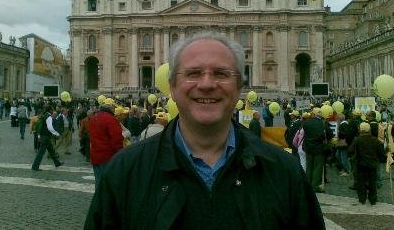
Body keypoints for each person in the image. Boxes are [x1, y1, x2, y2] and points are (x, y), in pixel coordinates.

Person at [85, 32, 325, 229]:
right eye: (193, 73)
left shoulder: (286, 172)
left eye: (221, 73)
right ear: (172, 86)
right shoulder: (123, 172)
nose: (207, 84)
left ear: (240, 86)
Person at [88, 98, 123, 189]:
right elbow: (117, 139)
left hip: (95, 155)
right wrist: (120, 154)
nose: (115, 109)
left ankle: (98, 201)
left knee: (98, 182)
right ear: (110, 107)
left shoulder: (93, 118)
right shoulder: (111, 119)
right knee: (109, 183)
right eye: (114, 107)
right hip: (108, 156)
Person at [348, 122, 385, 205]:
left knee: (361, 182)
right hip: (372, 164)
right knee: (372, 182)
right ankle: (373, 199)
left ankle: (362, 199)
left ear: (360, 130)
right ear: (369, 130)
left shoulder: (357, 139)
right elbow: (381, 153)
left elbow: (350, 150)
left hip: (361, 164)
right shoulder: (375, 140)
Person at [31, 105, 63, 171]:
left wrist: (39, 136)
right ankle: (35, 166)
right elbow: (50, 127)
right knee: (41, 153)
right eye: (53, 109)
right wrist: (57, 134)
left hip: (44, 136)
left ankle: (57, 163)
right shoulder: (48, 117)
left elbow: (40, 127)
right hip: (45, 137)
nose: (53, 111)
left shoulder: (44, 115)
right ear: (51, 110)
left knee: (51, 150)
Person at [302, 107, 326, 193]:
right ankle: (314, 186)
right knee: (317, 168)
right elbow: (322, 135)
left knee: (309, 167)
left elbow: (305, 132)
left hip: (308, 147)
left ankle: (308, 184)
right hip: (318, 148)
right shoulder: (321, 123)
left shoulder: (307, 122)